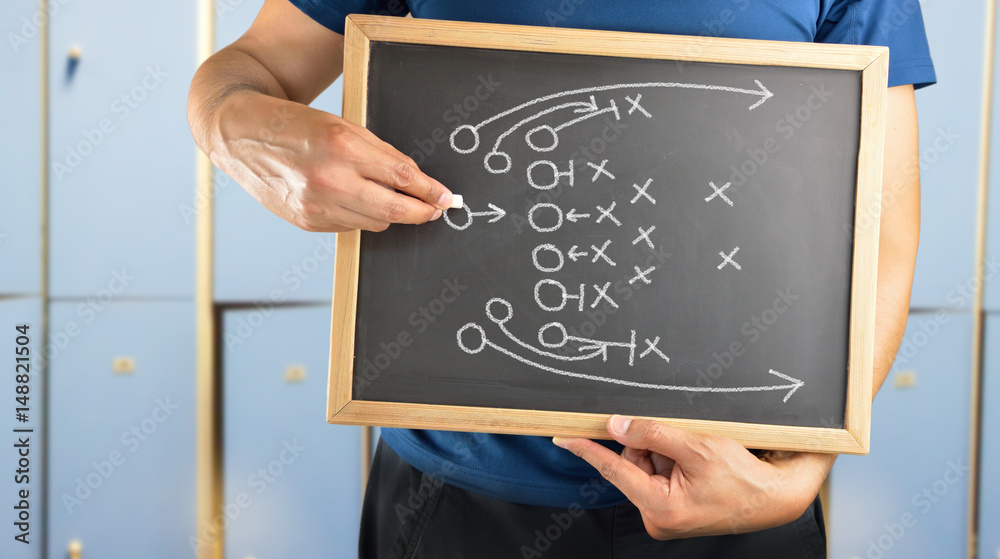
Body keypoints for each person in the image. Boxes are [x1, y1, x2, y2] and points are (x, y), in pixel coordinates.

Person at [188, 1, 935, 557]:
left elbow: (884, 239)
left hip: (739, 494)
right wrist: (239, 130)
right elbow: (247, 70)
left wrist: (798, 477)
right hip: (456, 502)